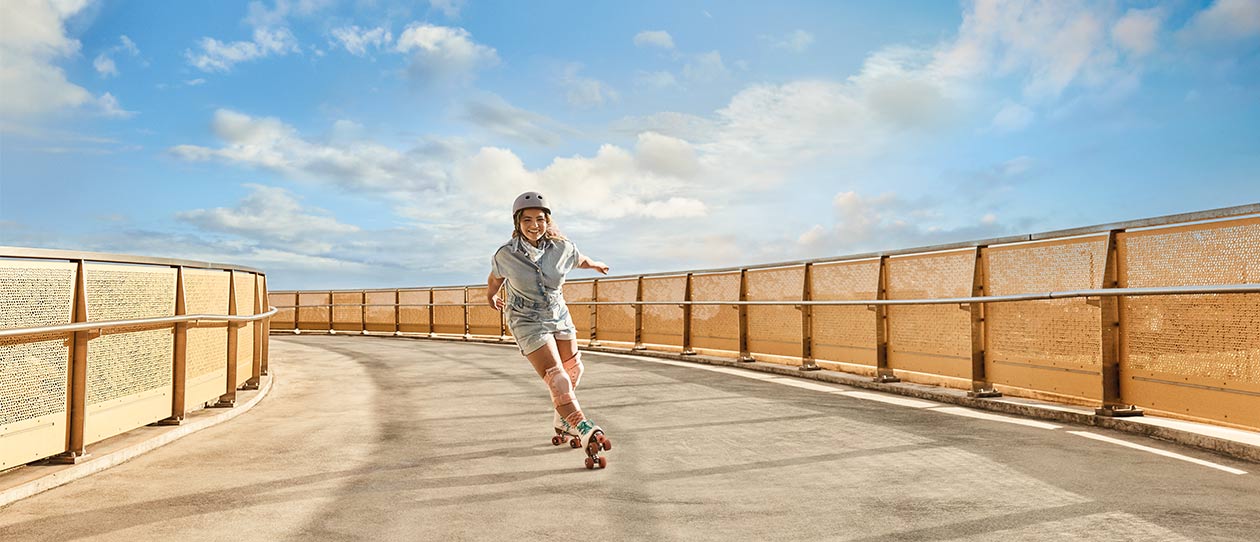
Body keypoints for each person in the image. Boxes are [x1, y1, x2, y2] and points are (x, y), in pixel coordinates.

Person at [487, 191, 614, 469]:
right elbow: (495, 277)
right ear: (518, 222)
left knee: (574, 371)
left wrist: (594, 264)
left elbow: (579, 259)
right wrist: (492, 295)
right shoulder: (506, 254)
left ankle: (562, 418)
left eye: (540, 220)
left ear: (548, 221)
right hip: (526, 319)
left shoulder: (562, 247)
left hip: (558, 314)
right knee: (557, 379)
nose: (535, 225)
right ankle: (582, 426)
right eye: (528, 220)